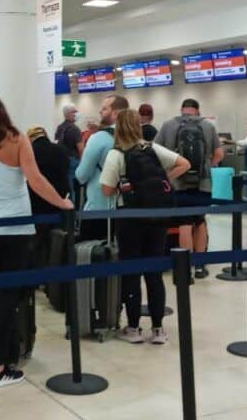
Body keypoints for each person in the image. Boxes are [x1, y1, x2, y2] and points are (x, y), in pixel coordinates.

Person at [0, 91, 73, 389]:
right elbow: (35, 180)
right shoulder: (16, 138)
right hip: (14, 230)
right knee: (6, 299)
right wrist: (62, 203)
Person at [100, 109, 189, 345]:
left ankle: (133, 328)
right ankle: (158, 329)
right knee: (154, 273)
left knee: (131, 272)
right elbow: (184, 163)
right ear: (138, 126)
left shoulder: (116, 154)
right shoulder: (152, 148)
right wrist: (161, 182)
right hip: (156, 217)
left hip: (129, 219)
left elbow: (107, 190)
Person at [156, 99, 224, 279]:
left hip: (178, 182)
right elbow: (219, 153)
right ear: (198, 110)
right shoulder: (208, 126)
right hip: (203, 183)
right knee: (200, 221)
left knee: (184, 223)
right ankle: (200, 266)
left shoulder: (168, 125)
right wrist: (208, 166)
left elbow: (155, 151)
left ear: (181, 110)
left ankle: (184, 266)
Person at [75, 95, 129, 240]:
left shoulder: (98, 138)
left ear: (115, 113)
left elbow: (81, 175)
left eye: (105, 109)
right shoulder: (133, 137)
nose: (100, 112)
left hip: (99, 207)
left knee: (93, 254)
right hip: (128, 208)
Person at [27, 126, 71, 268]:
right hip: (60, 201)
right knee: (57, 241)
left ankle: (38, 273)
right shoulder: (62, 149)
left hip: (37, 203)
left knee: (37, 243)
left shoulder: (31, 152)